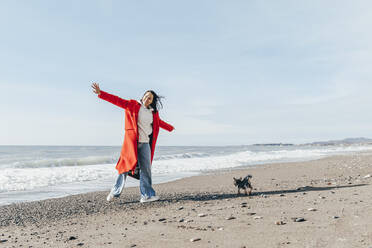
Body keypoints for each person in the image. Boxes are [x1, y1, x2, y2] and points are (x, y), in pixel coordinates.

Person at [91, 83, 175, 203]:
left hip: (145, 144)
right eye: (146, 96)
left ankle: (146, 196)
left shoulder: (153, 113)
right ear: (143, 96)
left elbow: (159, 123)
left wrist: (170, 128)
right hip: (132, 143)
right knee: (124, 168)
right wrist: (101, 93)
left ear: (152, 101)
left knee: (146, 170)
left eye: (150, 98)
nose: (147, 99)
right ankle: (115, 192)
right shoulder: (132, 105)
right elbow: (117, 100)